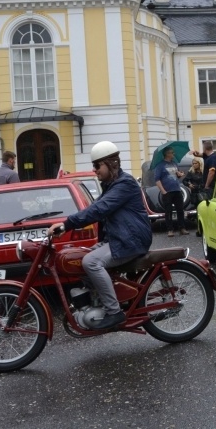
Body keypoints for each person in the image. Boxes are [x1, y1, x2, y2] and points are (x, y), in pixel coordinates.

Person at [48, 141, 152, 330]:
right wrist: (68, 224)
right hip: (118, 238)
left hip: (131, 240)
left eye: (97, 165)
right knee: (79, 258)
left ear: (111, 163)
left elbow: (99, 209)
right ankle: (99, 301)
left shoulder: (125, 184)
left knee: (91, 262)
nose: (94, 170)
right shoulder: (112, 185)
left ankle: (114, 312)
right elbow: (94, 208)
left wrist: (67, 224)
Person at [154, 147, 189, 237]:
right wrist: (163, 191)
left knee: (180, 210)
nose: (174, 154)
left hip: (177, 189)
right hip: (167, 191)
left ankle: (182, 228)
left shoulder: (174, 163)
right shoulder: (160, 165)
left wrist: (180, 175)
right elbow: (157, 179)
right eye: (172, 153)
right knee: (168, 211)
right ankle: (170, 230)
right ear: (167, 154)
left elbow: (176, 175)